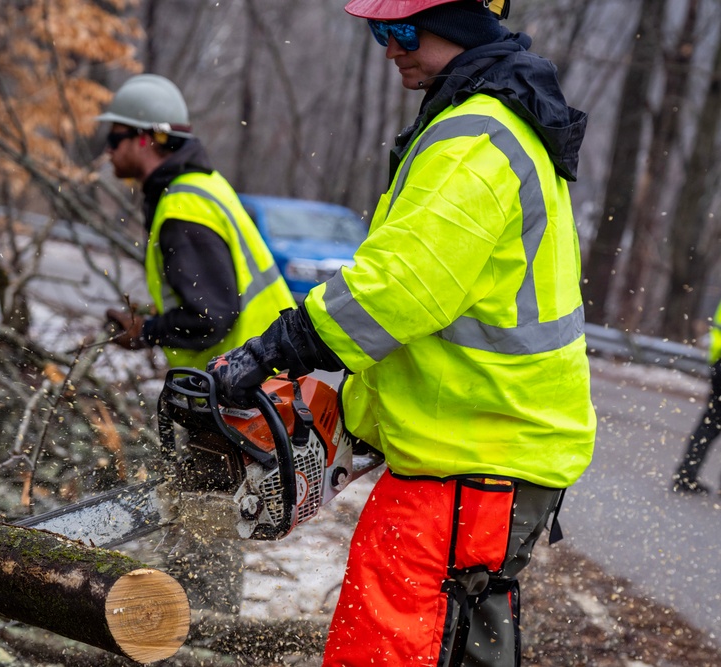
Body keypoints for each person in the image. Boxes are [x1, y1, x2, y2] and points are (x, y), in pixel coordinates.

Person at [206, 1, 597, 665]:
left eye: (403, 28)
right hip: (483, 451)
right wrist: (351, 421)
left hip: (469, 466)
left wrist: (274, 349)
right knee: (464, 641)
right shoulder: (488, 120)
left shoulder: (478, 135)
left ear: (467, 19)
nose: (390, 47)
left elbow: (404, 287)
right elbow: (437, 302)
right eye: (379, 30)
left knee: (386, 647)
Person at [96, 74, 295, 369]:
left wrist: (146, 332)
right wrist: (154, 312)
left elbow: (209, 317)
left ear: (144, 138)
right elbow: (214, 290)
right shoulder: (200, 185)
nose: (108, 149)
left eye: (114, 138)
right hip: (260, 372)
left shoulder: (183, 210)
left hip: (246, 386)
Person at [673, 299, 721, 495]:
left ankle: (686, 474)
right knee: (709, 423)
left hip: (719, 362)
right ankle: (686, 475)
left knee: (709, 424)